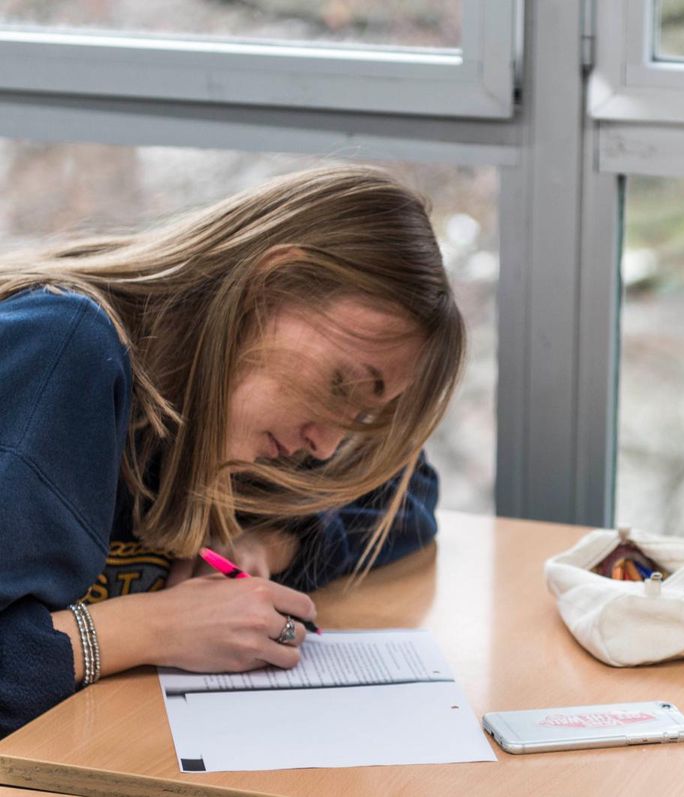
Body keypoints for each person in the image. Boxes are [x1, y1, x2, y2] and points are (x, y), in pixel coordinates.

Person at [0, 164, 466, 737]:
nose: (325, 447)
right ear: (267, 289)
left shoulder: (220, 415)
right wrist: (152, 628)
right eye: (341, 386)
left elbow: (406, 492)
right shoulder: (64, 352)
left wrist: (271, 541)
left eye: (361, 417)